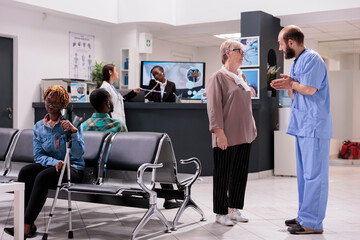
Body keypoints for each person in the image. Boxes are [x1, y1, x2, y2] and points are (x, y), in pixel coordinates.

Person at [271, 25, 332, 234]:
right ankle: (304, 215)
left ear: (290, 42)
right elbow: (297, 93)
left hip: (314, 126)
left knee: (315, 175)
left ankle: (313, 223)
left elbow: (309, 88)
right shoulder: (299, 61)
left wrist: (292, 84)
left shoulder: (312, 58)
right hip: (303, 125)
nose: (280, 48)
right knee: (305, 175)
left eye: (280, 43)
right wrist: (290, 85)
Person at [4, 85, 85, 238]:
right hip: (53, 166)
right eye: (48, 102)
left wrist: (73, 132)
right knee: (26, 171)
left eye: (55, 103)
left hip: (72, 168)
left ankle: (26, 225)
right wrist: (55, 162)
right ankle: (24, 222)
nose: (51, 106)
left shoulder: (71, 123)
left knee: (43, 176)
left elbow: (79, 153)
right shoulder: (39, 126)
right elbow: (38, 156)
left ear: (63, 105)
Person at [206, 39, 257, 226]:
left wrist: (252, 128)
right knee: (223, 174)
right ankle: (221, 212)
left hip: (245, 134)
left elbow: (246, 105)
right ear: (228, 52)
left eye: (243, 52)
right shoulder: (217, 78)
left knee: (239, 174)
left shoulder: (241, 77)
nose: (243, 55)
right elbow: (214, 109)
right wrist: (219, 133)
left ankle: (235, 209)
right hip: (226, 136)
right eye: (240, 51)